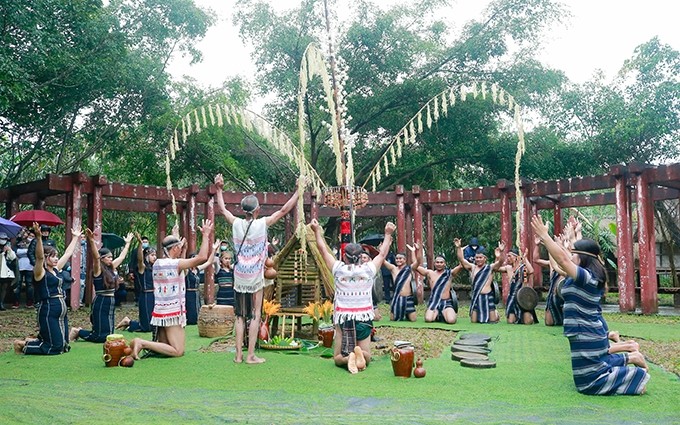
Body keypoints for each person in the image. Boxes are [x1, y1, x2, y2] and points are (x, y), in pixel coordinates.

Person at [531, 215, 650, 395]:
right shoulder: (581, 276)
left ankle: (635, 370)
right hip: (584, 333)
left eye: (574, 254)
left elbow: (563, 260)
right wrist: (563, 239)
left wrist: (545, 236)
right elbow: (558, 264)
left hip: (587, 333)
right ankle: (631, 357)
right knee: (590, 373)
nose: (570, 256)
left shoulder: (587, 278)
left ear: (582, 258)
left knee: (588, 384)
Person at [214, 173, 303, 364]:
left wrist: (219, 189)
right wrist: (298, 190)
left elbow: (222, 209)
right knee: (255, 315)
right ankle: (251, 355)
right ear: (257, 210)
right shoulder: (262, 223)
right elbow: (284, 210)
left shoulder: (236, 223)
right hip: (255, 277)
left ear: (243, 210)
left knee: (239, 316)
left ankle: (237, 356)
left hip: (239, 276)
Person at [311, 219, 395, 374]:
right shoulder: (368, 269)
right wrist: (388, 234)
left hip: (344, 319)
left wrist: (317, 231)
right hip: (363, 319)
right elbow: (382, 254)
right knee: (367, 356)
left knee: (337, 358)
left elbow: (323, 251)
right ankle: (360, 355)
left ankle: (347, 357)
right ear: (360, 256)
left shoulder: (338, 269)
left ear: (345, 256)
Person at [129, 219, 213, 359]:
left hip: (160, 310)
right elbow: (202, 257)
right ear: (174, 249)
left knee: (166, 348)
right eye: (179, 246)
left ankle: (146, 344)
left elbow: (174, 256)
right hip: (172, 312)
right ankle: (141, 342)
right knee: (178, 351)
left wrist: (175, 235)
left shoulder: (157, 263)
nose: (181, 248)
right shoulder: (176, 264)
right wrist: (205, 235)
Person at [14, 222, 81, 355]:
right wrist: (38, 238)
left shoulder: (55, 270)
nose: (56, 259)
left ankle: (35, 340)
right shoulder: (40, 272)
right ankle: (22, 345)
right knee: (54, 348)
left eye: (56, 256)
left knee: (64, 346)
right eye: (53, 256)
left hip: (61, 309)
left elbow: (68, 253)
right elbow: (39, 257)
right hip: (48, 308)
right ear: (46, 258)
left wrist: (75, 237)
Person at [70, 230, 133, 343]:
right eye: (108, 257)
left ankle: (83, 332)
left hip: (111, 300)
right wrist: (92, 241)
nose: (111, 259)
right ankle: (77, 332)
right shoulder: (98, 269)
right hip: (101, 300)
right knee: (101, 337)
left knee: (109, 335)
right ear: (102, 258)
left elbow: (122, 257)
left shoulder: (111, 268)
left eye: (111, 257)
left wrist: (127, 243)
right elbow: (95, 257)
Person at [455, 238, 506, 323]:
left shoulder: (490, 268)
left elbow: (501, 262)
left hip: (488, 296)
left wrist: (501, 252)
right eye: (476, 258)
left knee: (493, 320)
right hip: (477, 296)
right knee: (474, 321)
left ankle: (495, 313)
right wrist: (458, 247)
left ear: (485, 258)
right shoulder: (473, 267)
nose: (478, 259)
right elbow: (462, 260)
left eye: (480, 257)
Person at [116, 234, 157, 333]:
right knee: (146, 327)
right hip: (145, 295)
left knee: (153, 325)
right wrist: (139, 244)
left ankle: (128, 322)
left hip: (154, 295)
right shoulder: (143, 267)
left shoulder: (154, 268)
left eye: (155, 255)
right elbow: (140, 259)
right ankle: (129, 322)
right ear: (146, 256)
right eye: (152, 255)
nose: (154, 257)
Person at [414, 251, 461, 324]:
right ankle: (437, 314)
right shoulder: (430, 273)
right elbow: (415, 266)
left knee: (451, 320)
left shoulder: (450, 273)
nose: (439, 264)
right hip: (434, 302)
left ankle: (445, 313)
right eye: (437, 262)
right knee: (428, 319)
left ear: (445, 264)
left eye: (441, 262)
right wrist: (414, 251)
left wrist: (458, 249)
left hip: (446, 302)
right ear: (434, 263)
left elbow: (461, 265)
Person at [499, 247, 536, 324]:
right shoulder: (508, 268)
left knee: (528, 322)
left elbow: (531, 270)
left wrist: (525, 258)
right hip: (512, 298)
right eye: (507, 256)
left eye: (510, 256)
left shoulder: (523, 267)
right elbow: (496, 268)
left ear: (516, 257)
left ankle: (526, 316)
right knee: (510, 321)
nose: (508, 258)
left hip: (522, 298)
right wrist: (501, 253)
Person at [185, 241, 219, 325]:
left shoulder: (197, 269)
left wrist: (214, 250)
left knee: (198, 307)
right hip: (188, 293)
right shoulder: (186, 270)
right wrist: (184, 249)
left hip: (196, 292)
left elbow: (208, 262)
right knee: (190, 309)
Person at [384, 245, 419, 322]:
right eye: (397, 258)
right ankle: (401, 311)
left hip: (408, 298)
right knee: (392, 319)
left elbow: (417, 262)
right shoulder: (393, 269)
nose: (398, 260)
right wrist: (384, 249)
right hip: (397, 297)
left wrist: (414, 251)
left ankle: (407, 313)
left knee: (413, 320)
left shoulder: (409, 269)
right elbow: (383, 261)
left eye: (400, 258)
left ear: (405, 260)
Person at [13, 230, 34, 308]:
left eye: (32, 236)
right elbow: (15, 251)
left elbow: (32, 252)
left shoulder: (33, 243)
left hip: (30, 265)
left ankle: (30, 302)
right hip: (19, 265)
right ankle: (16, 302)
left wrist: (24, 252)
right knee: (18, 283)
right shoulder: (18, 242)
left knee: (29, 283)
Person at [0, 232, 17, 311]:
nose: (3, 240)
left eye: (4, 239)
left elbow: (13, 258)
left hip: (5, 271)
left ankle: (1, 303)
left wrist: (9, 250)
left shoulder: (7, 246)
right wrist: (2, 252)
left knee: (4, 287)